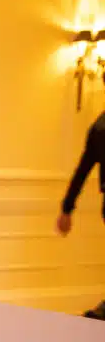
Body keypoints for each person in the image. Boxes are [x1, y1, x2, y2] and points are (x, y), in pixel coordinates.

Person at [57, 109, 105, 319]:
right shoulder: (99, 128)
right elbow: (83, 168)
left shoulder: (99, 126)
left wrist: (67, 208)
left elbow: (83, 169)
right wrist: (67, 208)